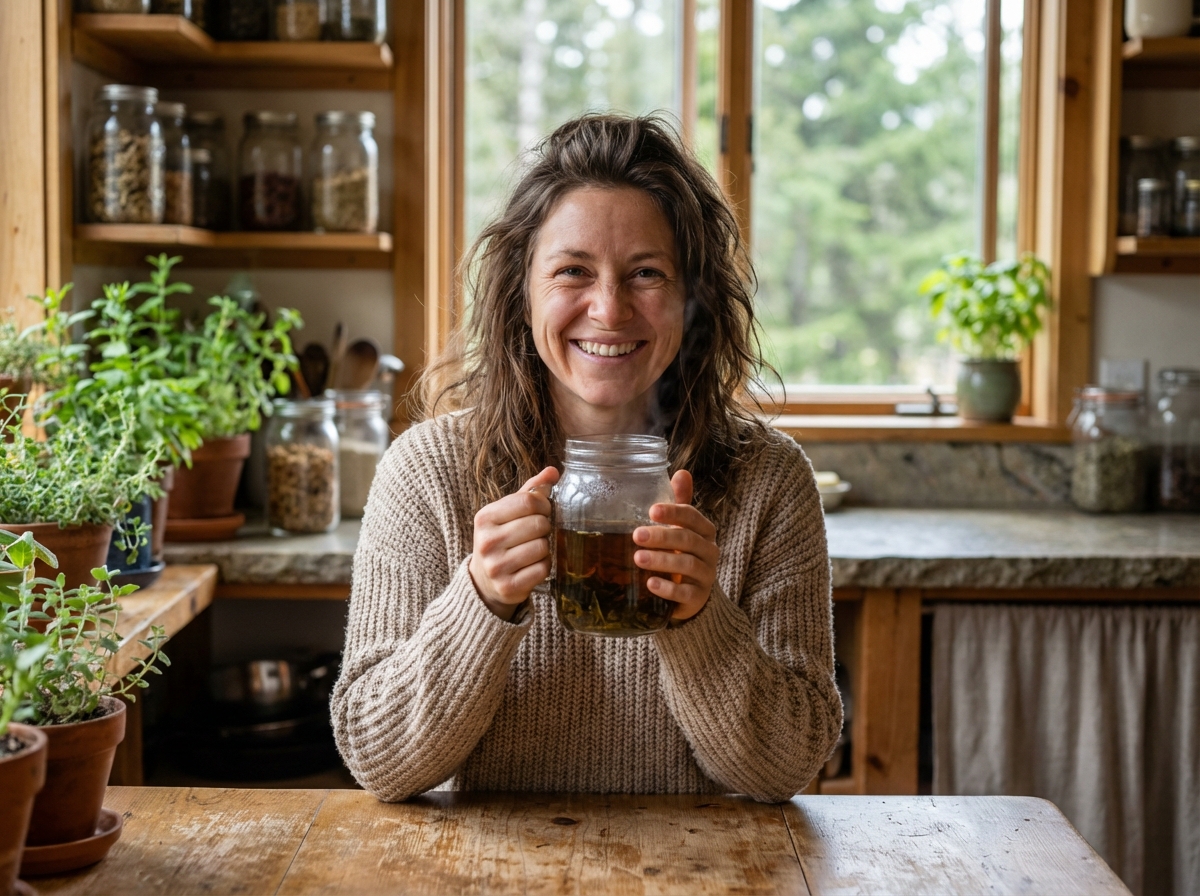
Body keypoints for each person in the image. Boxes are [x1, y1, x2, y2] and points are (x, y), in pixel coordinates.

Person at [331, 113, 842, 802]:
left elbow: (789, 767)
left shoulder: (769, 481)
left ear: (693, 299)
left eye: (646, 274)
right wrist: (480, 597)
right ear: (521, 291)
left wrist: (699, 620)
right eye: (573, 270)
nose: (608, 309)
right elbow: (378, 759)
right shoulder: (425, 471)